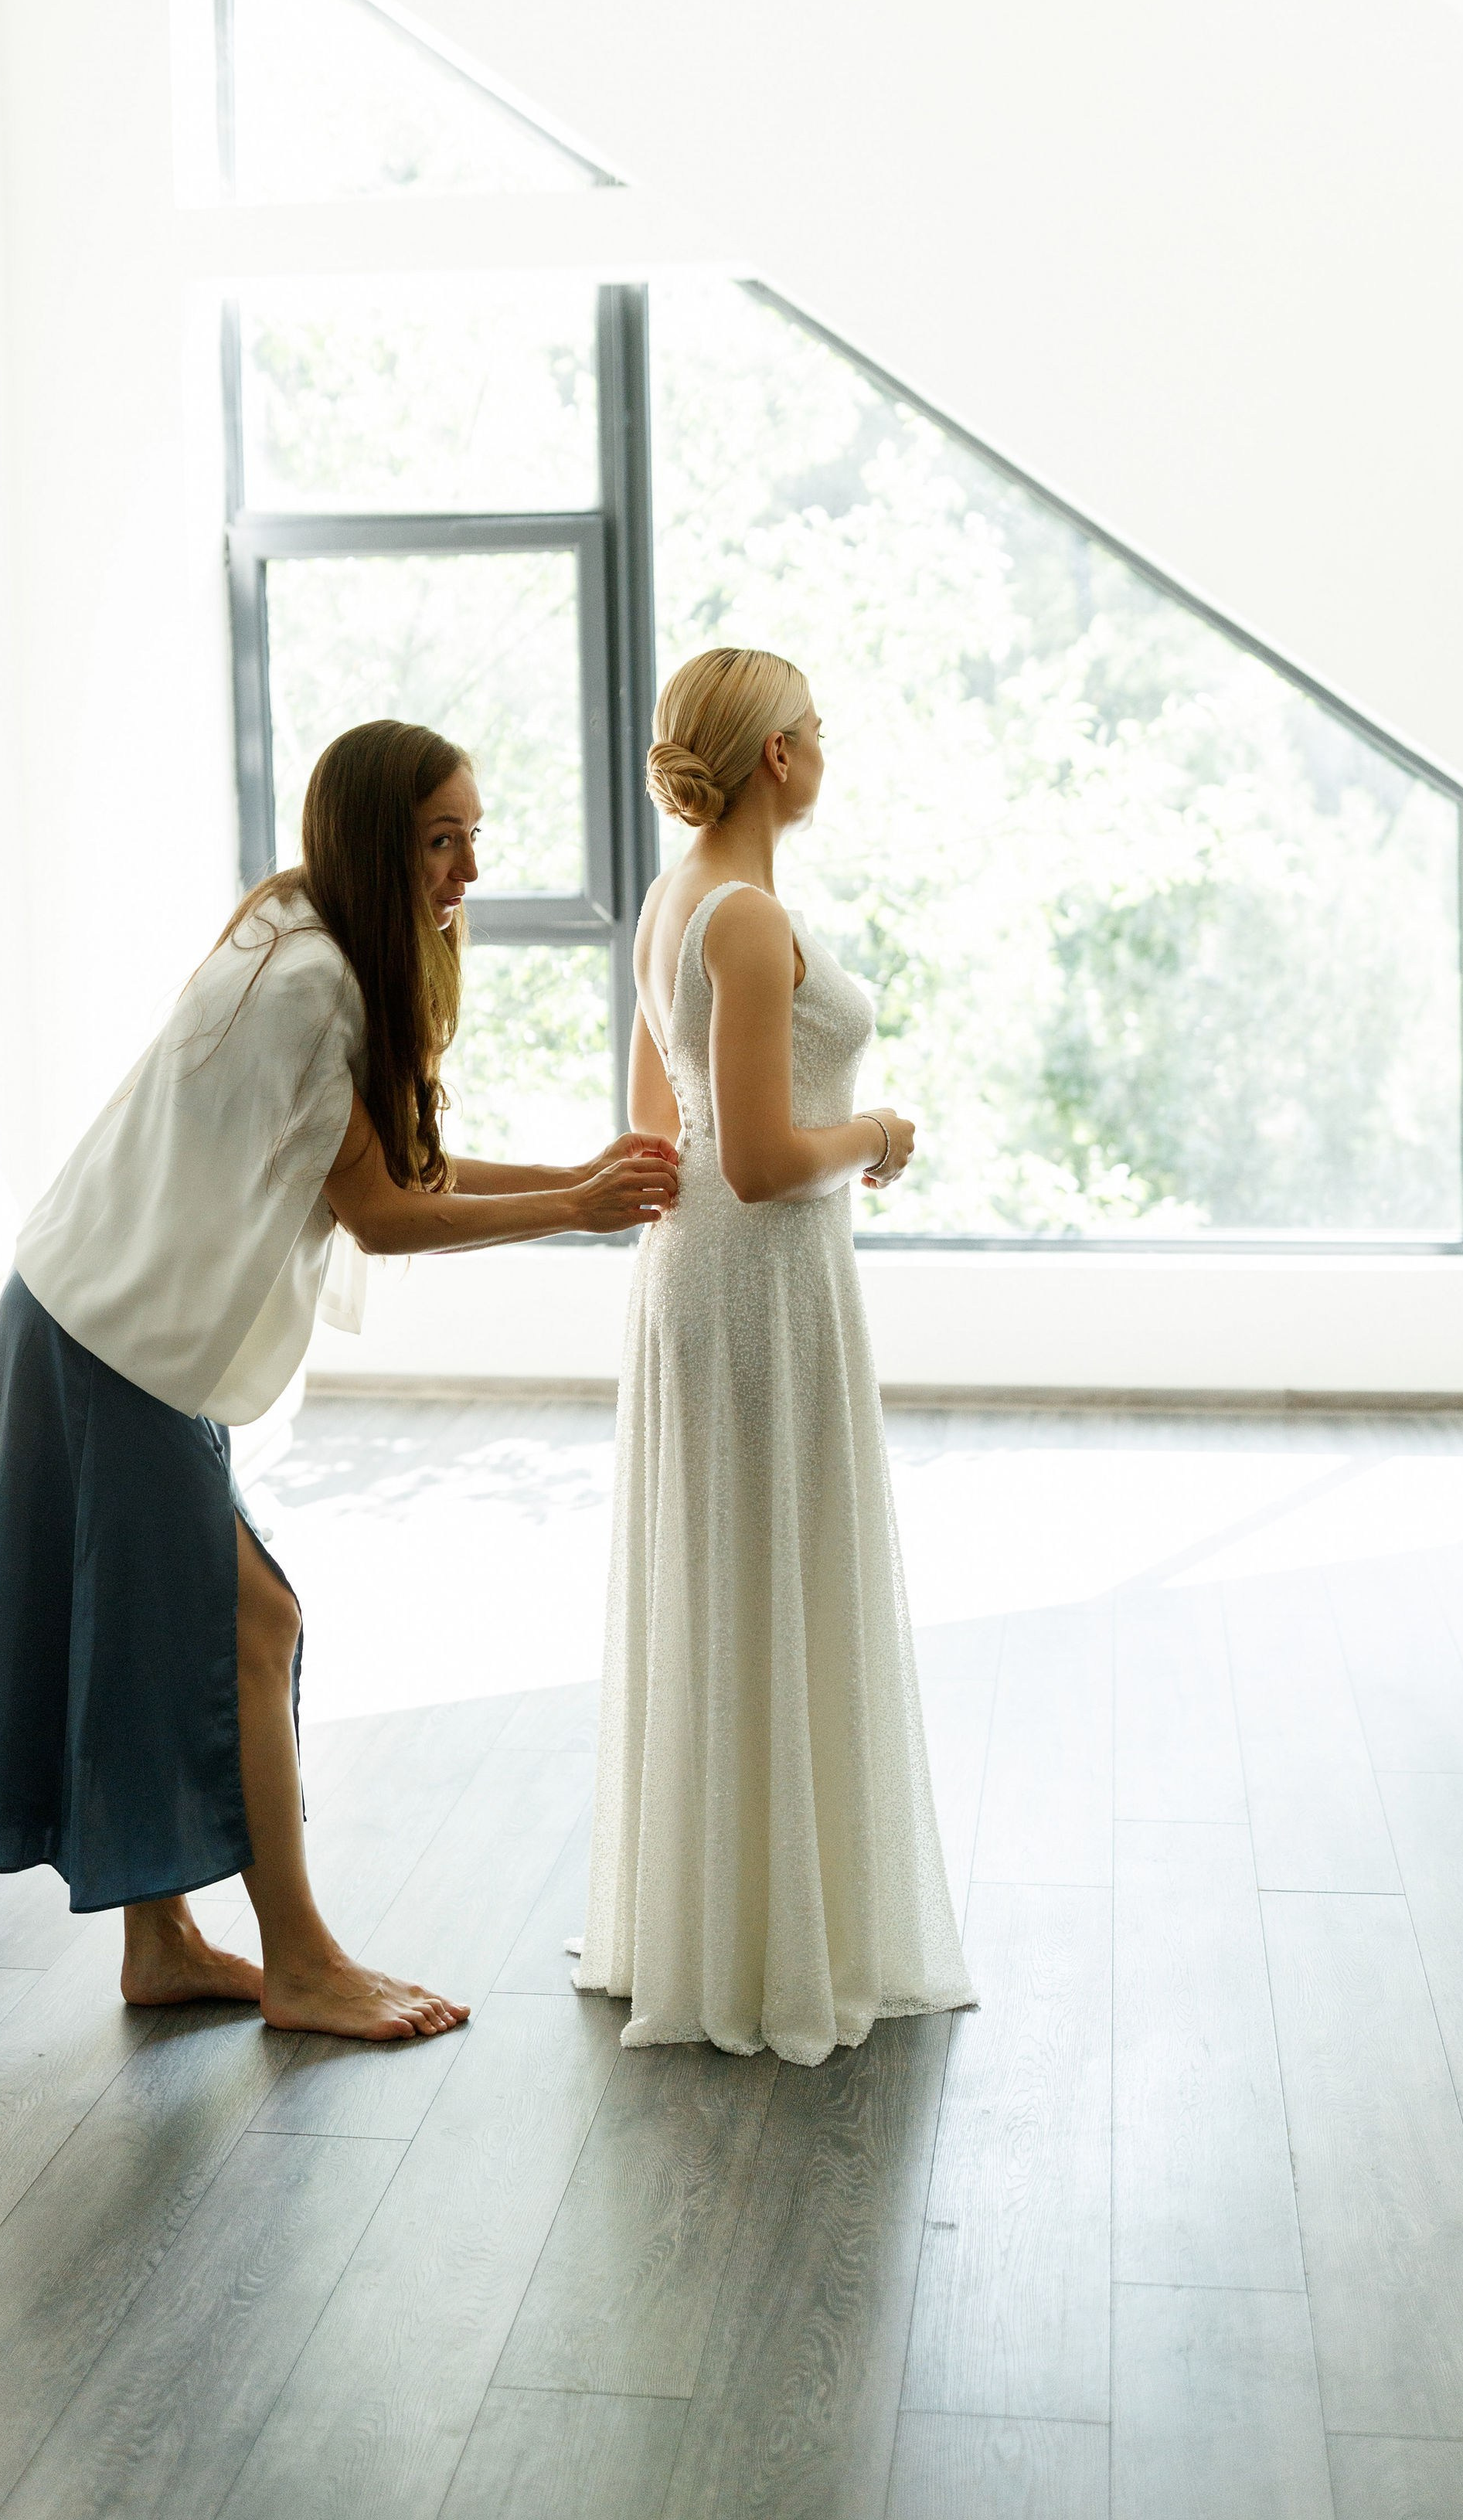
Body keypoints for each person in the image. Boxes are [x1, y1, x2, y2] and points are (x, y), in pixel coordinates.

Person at [0, 719, 677, 2041]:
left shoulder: (304, 929)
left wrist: (582, 1181)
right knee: (251, 1624)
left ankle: (167, 1942)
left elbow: (399, 1172)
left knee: (174, 1630)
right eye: (439, 841)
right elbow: (385, 1214)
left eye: (474, 837)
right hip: (110, 1338)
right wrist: (576, 1207)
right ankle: (297, 1961)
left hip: (106, 1321)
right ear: (371, 841)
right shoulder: (312, 983)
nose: (466, 871)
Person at [573, 648, 974, 2064]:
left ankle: (712, 1915)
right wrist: (877, 1135)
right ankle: (774, 1943)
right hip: (762, 1283)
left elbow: (653, 1132)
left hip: (694, 1282)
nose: (827, 740)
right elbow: (751, 1163)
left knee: (725, 1574)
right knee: (774, 1567)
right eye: (815, 723)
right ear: (776, 761)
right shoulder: (744, 919)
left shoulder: (672, 903)